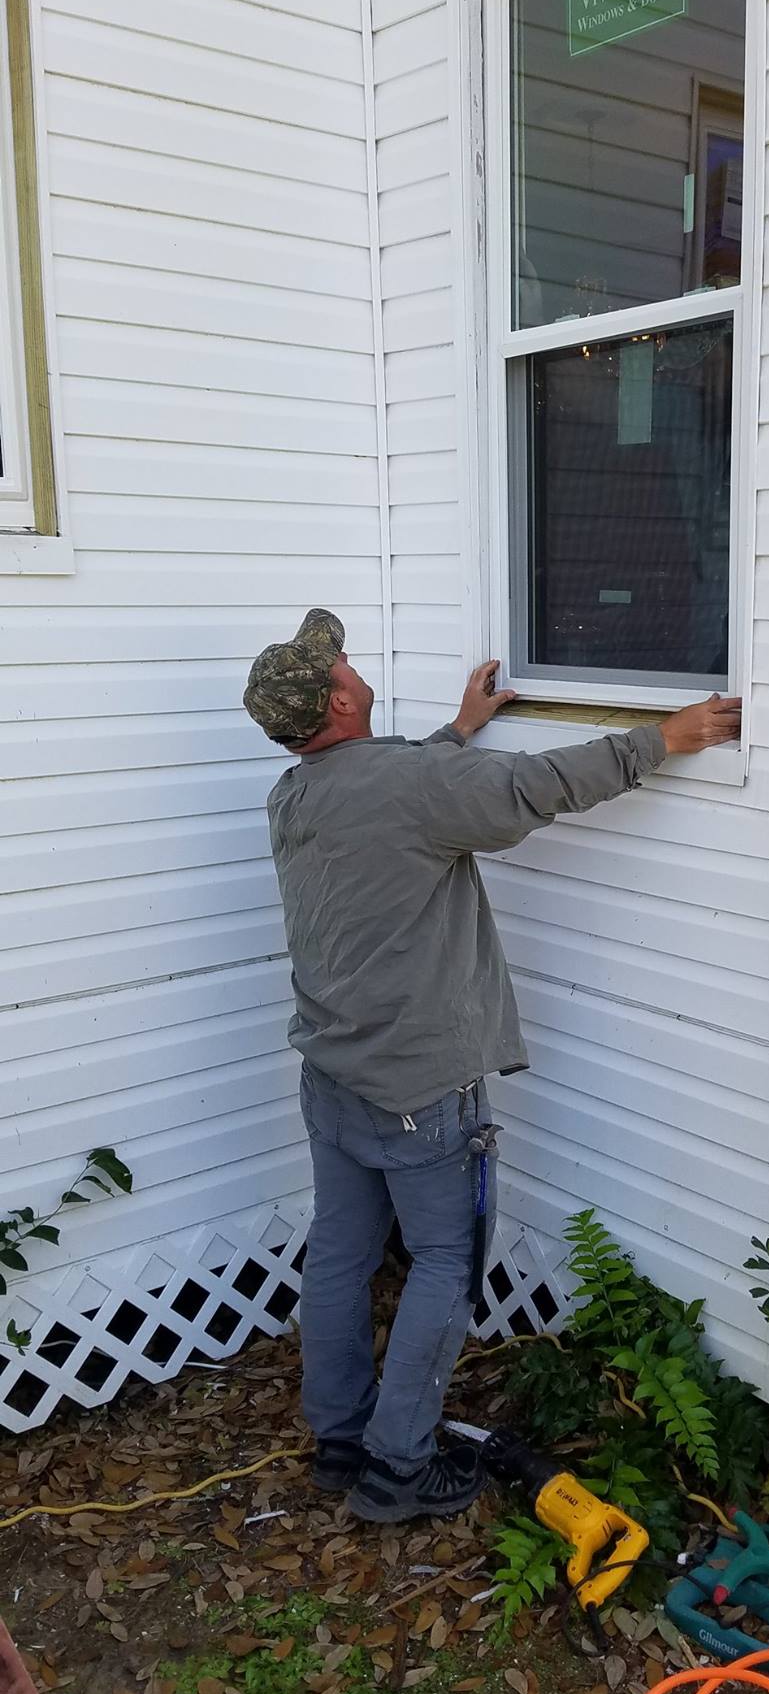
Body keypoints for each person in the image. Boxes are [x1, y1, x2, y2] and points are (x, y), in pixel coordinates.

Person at [243, 608, 741, 1524]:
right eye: (338, 661)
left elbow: (401, 794)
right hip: (420, 1091)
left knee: (342, 1254)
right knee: (446, 1261)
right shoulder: (409, 785)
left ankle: (341, 1441)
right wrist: (661, 739)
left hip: (333, 1079)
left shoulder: (296, 794)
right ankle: (397, 1470)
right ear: (339, 699)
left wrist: (458, 731)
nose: (349, 662)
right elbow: (533, 787)